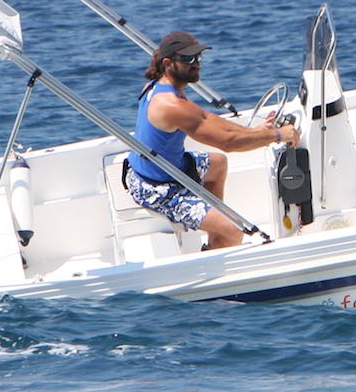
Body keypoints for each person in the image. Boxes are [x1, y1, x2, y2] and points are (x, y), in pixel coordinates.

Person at [127, 31, 300, 250]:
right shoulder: (170, 105)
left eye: (198, 57)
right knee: (235, 229)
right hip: (156, 188)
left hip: (161, 168)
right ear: (168, 63)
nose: (196, 63)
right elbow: (228, 142)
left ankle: (215, 240)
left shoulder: (162, 86)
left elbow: (209, 120)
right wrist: (276, 135)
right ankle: (219, 245)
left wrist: (255, 132)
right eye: (188, 59)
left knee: (217, 164)